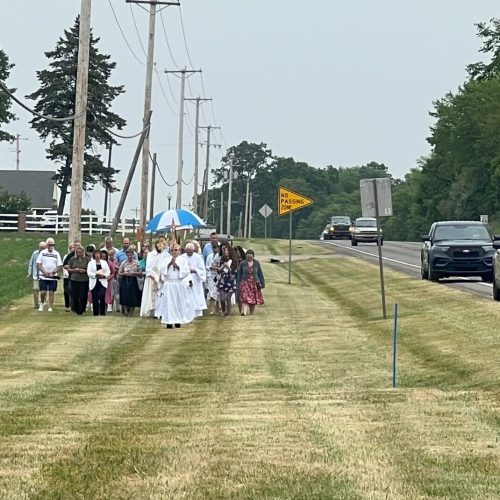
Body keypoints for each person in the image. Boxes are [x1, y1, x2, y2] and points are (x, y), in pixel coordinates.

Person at [158, 243, 194, 328]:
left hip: (178, 284)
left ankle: (178, 321)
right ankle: (169, 322)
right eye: (172, 250)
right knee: (168, 303)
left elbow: (186, 271)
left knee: (178, 303)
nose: (174, 252)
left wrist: (177, 266)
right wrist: (169, 264)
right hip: (169, 284)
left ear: (179, 251)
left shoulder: (183, 260)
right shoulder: (166, 259)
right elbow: (162, 270)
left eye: (176, 250)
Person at [36, 237, 63, 312]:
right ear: (47, 245)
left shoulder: (56, 253)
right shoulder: (42, 253)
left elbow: (59, 265)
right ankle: (42, 303)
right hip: (43, 276)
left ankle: (50, 306)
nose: (51, 246)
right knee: (43, 292)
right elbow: (38, 263)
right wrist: (44, 272)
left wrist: (53, 272)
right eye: (50, 245)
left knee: (51, 292)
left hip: (53, 277)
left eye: (52, 245)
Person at [236, 249, 265, 316]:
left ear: (253, 257)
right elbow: (239, 274)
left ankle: (251, 312)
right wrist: (238, 283)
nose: (249, 258)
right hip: (245, 283)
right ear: (246, 256)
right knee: (244, 298)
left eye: (250, 257)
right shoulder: (242, 263)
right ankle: (244, 312)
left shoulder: (257, 263)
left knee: (253, 300)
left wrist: (262, 283)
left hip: (254, 283)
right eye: (248, 257)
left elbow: (260, 273)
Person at [182, 242, 207, 318]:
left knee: (196, 295)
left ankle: (197, 312)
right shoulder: (182, 257)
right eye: (188, 252)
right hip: (186, 278)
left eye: (191, 252)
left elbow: (202, 269)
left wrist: (194, 270)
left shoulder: (198, 257)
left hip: (196, 278)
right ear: (186, 250)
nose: (190, 253)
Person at [140, 239, 162, 317]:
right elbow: (149, 267)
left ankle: (160, 312)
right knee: (151, 295)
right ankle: (151, 312)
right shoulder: (151, 255)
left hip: (161, 278)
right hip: (151, 278)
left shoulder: (164, 254)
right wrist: (154, 276)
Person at [118, 249, 142, 316]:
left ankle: (131, 312)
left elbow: (140, 272)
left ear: (133, 255)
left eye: (131, 254)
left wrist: (134, 273)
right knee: (125, 295)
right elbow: (119, 272)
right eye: (128, 254)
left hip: (133, 279)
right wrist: (124, 273)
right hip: (125, 280)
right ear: (126, 255)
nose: (129, 256)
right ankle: (125, 311)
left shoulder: (136, 262)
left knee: (133, 296)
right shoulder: (123, 263)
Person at [87, 249, 111, 316]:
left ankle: (103, 312)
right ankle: (96, 313)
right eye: (96, 254)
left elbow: (108, 272)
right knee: (95, 297)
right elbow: (89, 272)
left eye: (98, 254)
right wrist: (95, 275)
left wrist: (104, 276)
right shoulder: (91, 263)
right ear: (94, 255)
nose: (97, 255)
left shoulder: (104, 262)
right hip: (94, 281)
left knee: (102, 295)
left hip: (102, 281)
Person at [68, 246, 90, 315]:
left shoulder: (87, 259)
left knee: (83, 295)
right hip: (75, 279)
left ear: (83, 252)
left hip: (84, 280)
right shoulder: (72, 259)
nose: (79, 253)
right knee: (75, 295)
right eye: (78, 252)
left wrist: (85, 271)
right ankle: (76, 309)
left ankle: (82, 309)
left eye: (80, 252)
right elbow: (69, 269)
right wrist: (75, 270)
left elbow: (90, 269)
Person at [217, 244, 238, 317]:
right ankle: (223, 311)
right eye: (225, 250)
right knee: (222, 298)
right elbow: (219, 270)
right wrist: (223, 266)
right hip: (222, 280)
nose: (226, 252)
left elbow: (234, 272)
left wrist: (228, 267)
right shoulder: (222, 259)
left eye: (227, 250)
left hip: (231, 281)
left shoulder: (234, 260)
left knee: (227, 298)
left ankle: (228, 313)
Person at [27, 241, 46, 309]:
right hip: (36, 274)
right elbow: (31, 263)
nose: (42, 249)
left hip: (44, 275)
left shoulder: (47, 254)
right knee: (35, 289)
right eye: (41, 248)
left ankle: (43, 301)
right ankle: (36, 304)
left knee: (43, 289)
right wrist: (29, 272)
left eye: (44, 248)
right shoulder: (35, 253)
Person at [205, 244, 220, 315]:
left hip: (217, 276)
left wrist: (216, 268)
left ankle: (217, 308)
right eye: (214, 249)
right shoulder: (209, 256)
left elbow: (221, 266)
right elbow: (206, 265)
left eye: (216, 249)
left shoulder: (220, 257)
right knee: (211, 293)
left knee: (217, 293)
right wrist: (210, 267)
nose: (215, 250)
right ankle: (211, 309)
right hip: (210, 276)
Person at [62, 242, 76, 312]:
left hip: (74, 276)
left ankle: (73, 305)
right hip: (66, 276)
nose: (72, 249)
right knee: (66, 291)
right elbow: (64, 265)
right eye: (71, 247)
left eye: (73, 247)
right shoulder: (66, 256)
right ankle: (67, 305)